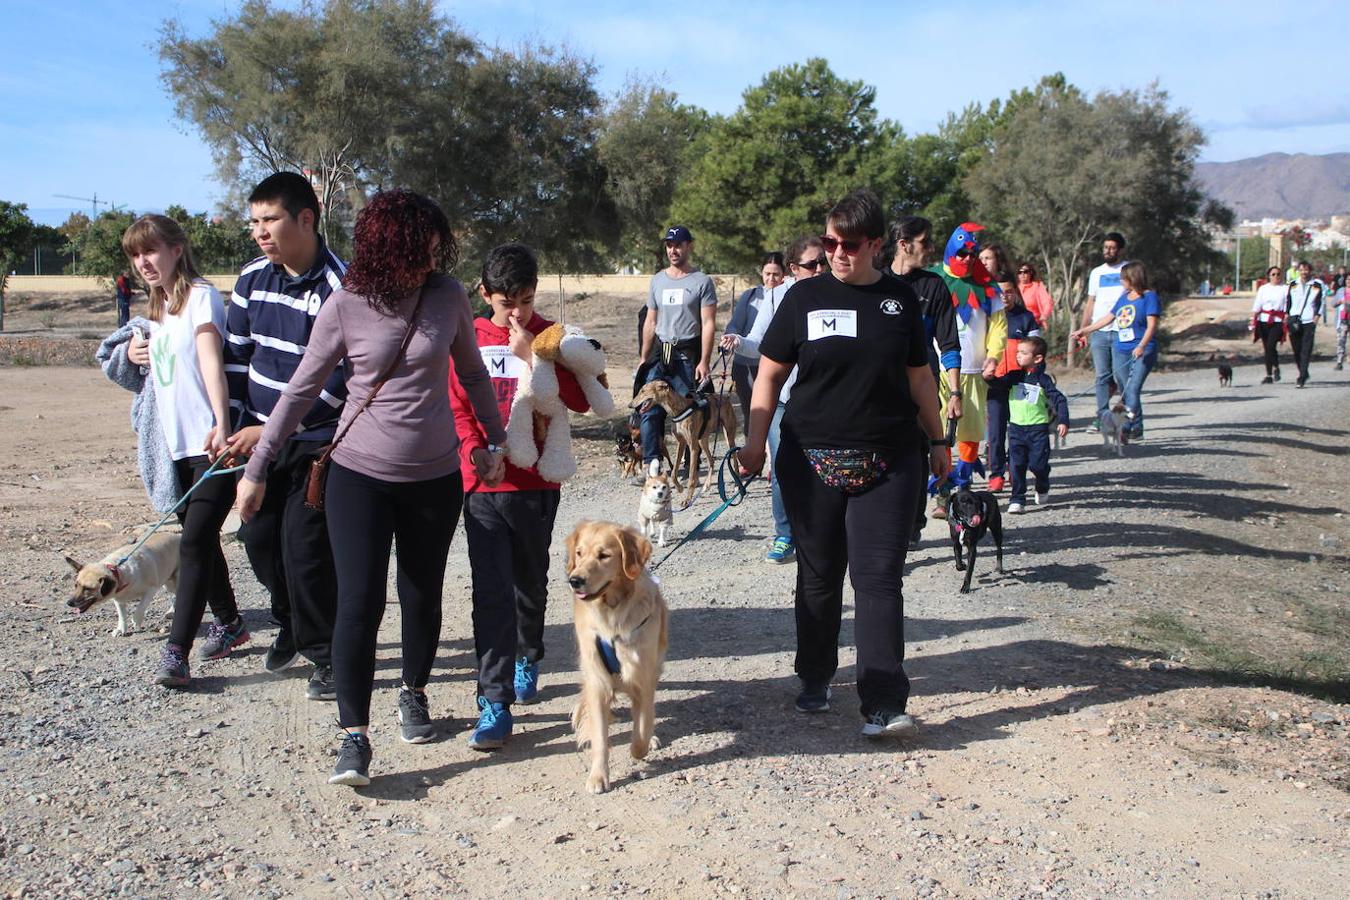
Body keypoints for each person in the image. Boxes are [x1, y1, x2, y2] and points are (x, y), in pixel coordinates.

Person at [236, 190, 507, 788]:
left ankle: (414, 690)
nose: (432, 258)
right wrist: (257, 468)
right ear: (390, 249)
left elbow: (470, 372)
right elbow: (301, 390)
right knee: (360, 601)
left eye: (436, 247)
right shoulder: (347, 304)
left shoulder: (447, 295)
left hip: (434, 477)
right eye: (420, 248)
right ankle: (353, 737)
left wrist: (495, 440)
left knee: (421, 594)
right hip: (358, 476)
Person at [736, 189, 951, 739]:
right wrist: (755, 443)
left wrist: (939, 440)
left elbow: (920, 377)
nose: (836, 253)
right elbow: (769, 374)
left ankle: (883, 701)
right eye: (829, 242)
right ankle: (815, 673)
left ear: (876, 244)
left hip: (889, 458)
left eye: (849, 245)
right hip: (810, 459)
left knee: (878, 580)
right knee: (819, 574)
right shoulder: (803, 298)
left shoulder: (900, 300)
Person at [450, 243, 592, 751]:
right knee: (491, 591)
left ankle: (528, 655)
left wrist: (533, 354)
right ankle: (493, 700)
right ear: (484, 294)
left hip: (536, 485)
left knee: (528, 582)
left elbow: (581, 399)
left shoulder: (551, 335)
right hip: (483, 486)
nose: (517, 313)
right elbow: (456, 405)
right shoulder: (467, 336)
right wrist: (473, 452)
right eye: (506, 302)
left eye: (526, 301)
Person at [222, 172, 347, 700]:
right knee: (257, 540)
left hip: (316, 443)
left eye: (270, 219)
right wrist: (232, 426)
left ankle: (327, 654)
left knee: (306, 551)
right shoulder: (252, 279)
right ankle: (289, 622)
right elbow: (235, 358)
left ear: (305, 219)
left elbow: (341, 383)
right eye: (254, 221)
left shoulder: (341, 287)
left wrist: (268, 432)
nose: (259, 232)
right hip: (255, 441)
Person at [121, 214, 243, 688]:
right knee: (202, 540)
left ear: (176, 249)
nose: (143, 262)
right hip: (174, 449)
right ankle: (230, 623)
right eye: (135, 254)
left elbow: (212, 363)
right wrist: (132, 354)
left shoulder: (201, 297)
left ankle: (177, 652)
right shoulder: (157, 310)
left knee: (191, 544)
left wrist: (223, 426)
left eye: (150, 250)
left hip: (209, 444)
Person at [720, 236, 828, 563]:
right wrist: (738, 341)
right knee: (782, 468)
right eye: (812, 264)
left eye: (823, 262)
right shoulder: (776, 297)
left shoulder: (838, 293)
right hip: (784, 400)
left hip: (824, 402)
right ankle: (785, 534)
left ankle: (824, 535)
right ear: (794, 269)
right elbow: (760, 344)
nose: (820, 269)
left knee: (824, 470)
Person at [887, 216, 960, 541]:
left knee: (916, 454)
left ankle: (912, 525)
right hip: (880, 385)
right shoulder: (876, 280)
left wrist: (955, 392)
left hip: (922, 384)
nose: (931, 248)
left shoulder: (935, 285)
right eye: (925, 241)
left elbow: (949, 344)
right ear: (904, 244)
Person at [929, 223, 1006, 514]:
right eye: (961, 253)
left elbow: (998, 326)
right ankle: (942, 492)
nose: (967, 259)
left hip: (974, 371)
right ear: (951, 250)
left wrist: (994, 356)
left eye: (972, 254)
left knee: (970, 434)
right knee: (939, 433)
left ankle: (963, 490)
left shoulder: (987, 286)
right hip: (938, 371)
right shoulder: (933, 280)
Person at [637, 226, 717, 475]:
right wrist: (643, 358)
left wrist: (704, 360)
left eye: (678, 245)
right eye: (669, 245)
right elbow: (651, 321)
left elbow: (708, 323)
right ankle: (652, 461)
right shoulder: (658, 280)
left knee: (688, 407)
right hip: (662, 351)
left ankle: (692, 459)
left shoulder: (701, 281)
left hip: (687, 352)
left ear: (689, 246)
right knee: (649, 402)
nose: (673, 250)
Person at [1072, 261, 1159, 440]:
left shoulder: (1149, 297)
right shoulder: (1124, 297)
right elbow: (1108, 318)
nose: (1121, 282)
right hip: (1121, 348)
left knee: (1132, 387)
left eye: (1123, 278)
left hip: (1142, 349)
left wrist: (1141, 345)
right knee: (1125, 389)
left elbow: (1152, 325)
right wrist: (1085, 330)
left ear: (1132, 278)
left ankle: (1126, 426)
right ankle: (1137, 427)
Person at [979, 243, 1040, 493]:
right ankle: (996, 474)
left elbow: (1038, 351)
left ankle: (1016, 472)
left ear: (1015, 292)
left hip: (1019, 383)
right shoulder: (987, 317)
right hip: (994, 383)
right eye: (1000, 293)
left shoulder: (1026, 318)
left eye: (1008, 292)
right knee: (995, 431)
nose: (1004, 297)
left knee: (1018, 432)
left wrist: (1035, 375)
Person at [984, 337, 1068, 514]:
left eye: (1023, 353)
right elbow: (998, 384)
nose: (1018, 355)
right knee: (1016, 466)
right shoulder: (1014, 376)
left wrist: (1063, 420)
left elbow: (1059, 399)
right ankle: (1017, 499)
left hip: (1038, 430)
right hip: (1016, 430)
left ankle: (1042, 484)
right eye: (1018, 352)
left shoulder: (1043, 379)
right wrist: (988, 378)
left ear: (1037, 358)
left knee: (1038, 465)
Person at [724, 253, 785, 424]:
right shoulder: (750, 296)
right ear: (761, 273)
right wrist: (730, 339)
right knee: (751, 416)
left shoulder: (788, 295)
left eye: (776, 274)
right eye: (767, 274)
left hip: (776, 366)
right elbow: (735, 324)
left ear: (784, 274)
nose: (771, 278)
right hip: (746, 366)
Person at [1080, 233, 1128, 432]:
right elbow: (1090, 302)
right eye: (1105, 247)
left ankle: (1126, 419)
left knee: (1122, 377)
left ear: (1120, 250)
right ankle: (1101, 417)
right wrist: (1084, 330)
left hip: (1122, 331)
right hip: (1099, 331)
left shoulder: (1128, 270)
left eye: (1112, 248)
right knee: (1101, 376)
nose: (1108, 251)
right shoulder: (1096, 273)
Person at [1286, 260, 1324, 387]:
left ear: (1310, 271)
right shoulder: (1293, 284)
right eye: (1301, 270)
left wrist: (1317, 316)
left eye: (1306, 270)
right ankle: (1303, 370)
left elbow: (1320, 302)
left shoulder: (1316, 285)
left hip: (1309, 320)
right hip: (1294, 319)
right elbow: (1288, 301)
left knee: (1306, 349)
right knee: (1297, 349)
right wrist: (1287, 315)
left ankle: (1301, 377)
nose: (1304, 272)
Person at [1249, 266, 1288, 383]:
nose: (1276, 276)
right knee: (1267, 348)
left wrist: (1287, 317)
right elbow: (1257, 305)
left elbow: (1287, 305)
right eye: (1273, 274)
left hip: (1277, 321)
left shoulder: (1285, 289)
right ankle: (1270, 373)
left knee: (1271, 345)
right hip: (1263, 320)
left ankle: (1273, 370)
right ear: (1269, 276)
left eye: (1278, 274)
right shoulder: (1263, 289)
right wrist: (1253, 320)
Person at [1015, 262, 1054, 328]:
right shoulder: (1014, 288)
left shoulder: (1037, 286)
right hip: (1018, 325)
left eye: (1025, 272)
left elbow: (1047, 302)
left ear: (1030, 273)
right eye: (1020, 272)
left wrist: (1044, 315)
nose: (1022, 274)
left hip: (1035, 324)